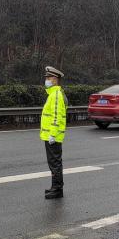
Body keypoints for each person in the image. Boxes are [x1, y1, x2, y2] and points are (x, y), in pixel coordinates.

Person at [40, 66, 68, 199]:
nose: (47, 80)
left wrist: (52, 133)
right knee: (53, 162)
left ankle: (57, 189)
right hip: (50, 135)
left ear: (55, 80)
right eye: (46, 78)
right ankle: (55, 187)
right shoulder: (52, 94)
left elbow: (57, 116)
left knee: (55, 163)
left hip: (53, 136)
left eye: (49, 78)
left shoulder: (56, 94)